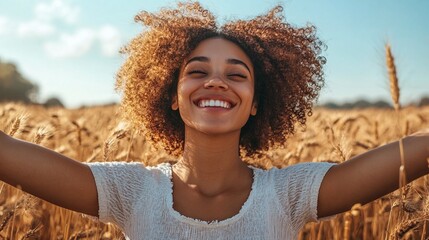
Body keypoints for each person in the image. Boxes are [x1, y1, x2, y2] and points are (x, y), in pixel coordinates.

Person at [0, 2, 428, 239]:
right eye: (198, 71)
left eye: (237, 75)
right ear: (171, 95)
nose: (217, 82)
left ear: (257, 102)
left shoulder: (289, 195)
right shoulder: (129, 191)